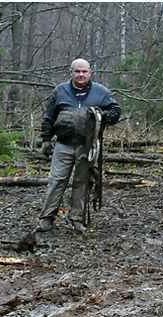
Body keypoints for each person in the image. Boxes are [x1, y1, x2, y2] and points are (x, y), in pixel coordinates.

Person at [37, 58, 120, 233]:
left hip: (87, 146)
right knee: (56, 180)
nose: (80, 75)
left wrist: (102, 115)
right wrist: (46, 139)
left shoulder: (101, 92)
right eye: (77, 71)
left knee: (82, 182)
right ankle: (46, 218)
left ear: (90, 73)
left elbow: (116, 111)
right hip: (63, 144)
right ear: (71, 73)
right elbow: (49, 116)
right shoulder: (60, 91)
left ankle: (77, 219)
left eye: (84, 71)